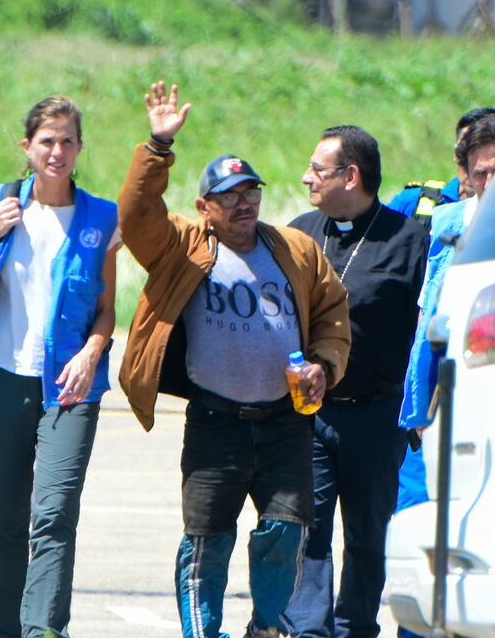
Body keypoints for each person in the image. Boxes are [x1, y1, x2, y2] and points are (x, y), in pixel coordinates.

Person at [116, 82, 351, 638]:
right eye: (230, 196)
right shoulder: (182, 245)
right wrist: (157, 146)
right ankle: (203, 632)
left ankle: (267, 628)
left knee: (287, 531)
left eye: (251, 192)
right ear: (205, 207)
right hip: (215, 424)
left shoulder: (294, 248)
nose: (244, 203)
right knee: (206, 541)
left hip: (285, 423)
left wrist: (323, 364)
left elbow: (332, 312)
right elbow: (135, 217)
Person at [0, 95, 121, 638]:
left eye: (68, 141)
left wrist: (93, 352)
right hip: (0, 381)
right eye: (47, 141)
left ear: (80, 148)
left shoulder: (101, 217)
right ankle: (2, 630)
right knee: (4, 523)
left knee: (54, 514)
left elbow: (108, 309)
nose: (58, 152)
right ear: (27, 147)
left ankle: (43, 629)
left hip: (69, 387)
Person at [282, 126, 427, 638]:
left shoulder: (410, 242)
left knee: (367, 536)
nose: (307, 178)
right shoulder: (300, 233)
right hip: (310, 412)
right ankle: (308, 630)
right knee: (307, 530)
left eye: (318, 170)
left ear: (352, 175)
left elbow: (425, 333)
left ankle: (355, 626)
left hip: (376, 415)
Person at [399, 112, 495, 432]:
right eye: (481, 173)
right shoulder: (446, 222)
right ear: (465, 173)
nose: (491, 182)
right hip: (454, 371)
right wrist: (422, 400)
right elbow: (428, 313)